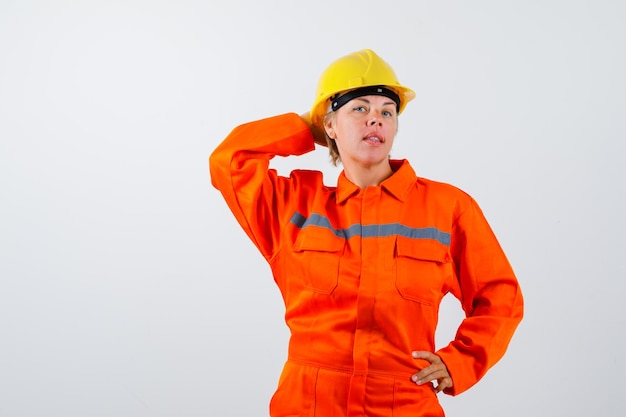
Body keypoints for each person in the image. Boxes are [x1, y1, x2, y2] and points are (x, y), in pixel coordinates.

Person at [209, 49, 523, 417]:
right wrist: (305, 127)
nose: (375, 119)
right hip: (309, 403)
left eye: (386, 112)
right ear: (329, 125)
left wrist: (460, 363)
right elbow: (229, 161)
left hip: (403, 401)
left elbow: (500, 296)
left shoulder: (448, 207)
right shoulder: (292, 205)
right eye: (359, 108)